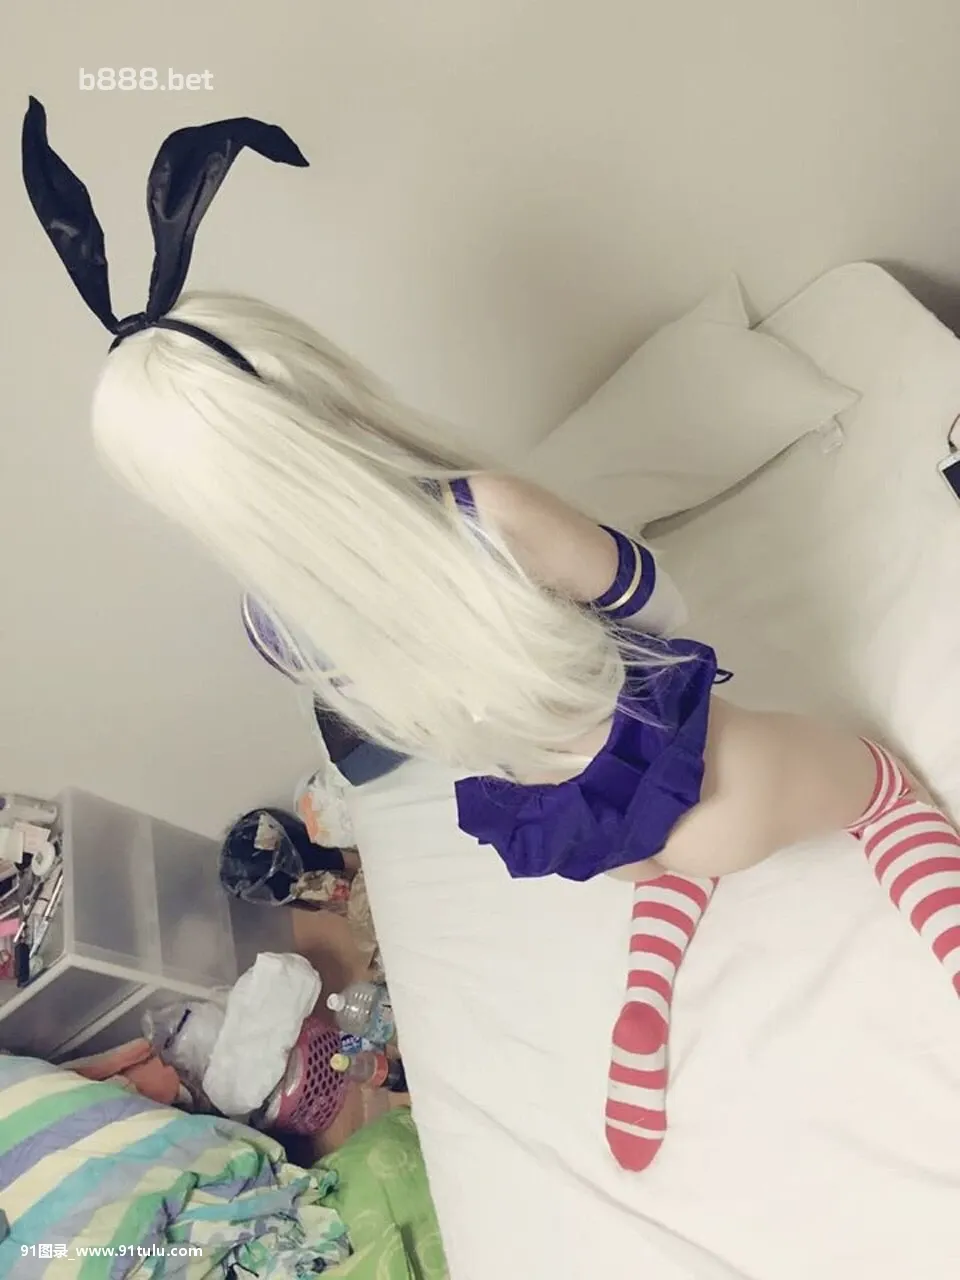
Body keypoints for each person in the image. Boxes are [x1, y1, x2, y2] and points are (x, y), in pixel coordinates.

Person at [22, 98, 960, 1172]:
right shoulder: (489, 512)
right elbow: (657, 599)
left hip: (566, 828)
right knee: (875, 787)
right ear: (312, 391)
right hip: (692, 776)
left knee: (661, 861)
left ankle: (650, 975)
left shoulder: (274, 629)